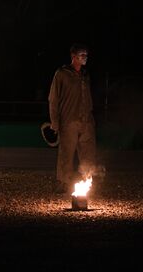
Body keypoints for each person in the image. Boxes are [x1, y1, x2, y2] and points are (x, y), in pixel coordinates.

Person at [48, 44, 96, 193]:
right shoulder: (62, 74)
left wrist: (90, 117)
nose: (85, 58)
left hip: (86, 120)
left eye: (86, 55)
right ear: (73, 56)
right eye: (82, 55)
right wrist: (55, 121)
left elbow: (87, 97)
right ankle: (63, 182)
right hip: (69, 120)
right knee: (66, 153)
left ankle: (87, 179)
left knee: (88, 152)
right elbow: (53, 99)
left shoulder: (85, 75)